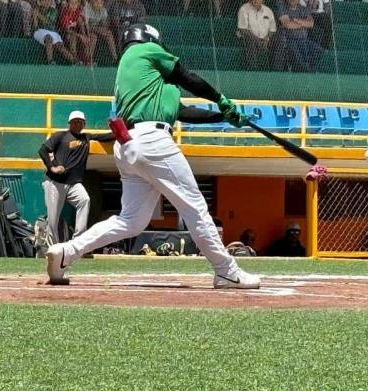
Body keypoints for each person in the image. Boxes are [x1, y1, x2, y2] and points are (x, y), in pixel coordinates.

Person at [44, 24, 261, 289]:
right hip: (152, 141)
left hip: (129, 145)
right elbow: (187, 76)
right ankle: (227, 271)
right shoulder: (146, 50)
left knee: (131, 220)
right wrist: (220, 98)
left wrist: (224, 117)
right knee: (195, 208)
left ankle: (66, 252)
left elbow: (182, 112)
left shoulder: (144, 78)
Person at [38, 111, 113, 242]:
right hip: (56, 182)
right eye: (74, 121)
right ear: (69, 123)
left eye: (80, 121)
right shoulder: (61, 136)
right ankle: (53, 249)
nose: (77, 123)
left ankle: (77, 242)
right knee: (53, 220)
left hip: (73, 183)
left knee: (85, 200)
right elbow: (43, 150)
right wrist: (52, 167)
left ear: (84, 124)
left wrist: (121, 130)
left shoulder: (86, 138)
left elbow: (105, 137)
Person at [237, 0, 277, 70]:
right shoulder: (244, 9)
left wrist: (267, 38)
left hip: (266, 38)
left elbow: (272, 29)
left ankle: (276, 70)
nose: (255, 0)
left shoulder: (268, 11)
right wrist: (257, 40)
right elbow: (242, 29)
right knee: (249, 39)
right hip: (249, 37)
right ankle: (253, 69)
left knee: (280, 40)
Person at [84, 0, 118, 64]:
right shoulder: (87, 8)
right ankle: (88, 59)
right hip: (87, 30)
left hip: (97, 29)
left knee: (109, 33)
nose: (99, 3)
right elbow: (85, 26)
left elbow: (105, 25)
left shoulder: (103, 10)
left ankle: (115, 58)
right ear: (91, 1)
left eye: (101, 2)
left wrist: (104, 21)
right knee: (93, 37)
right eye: (96, 1)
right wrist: (98, 29)